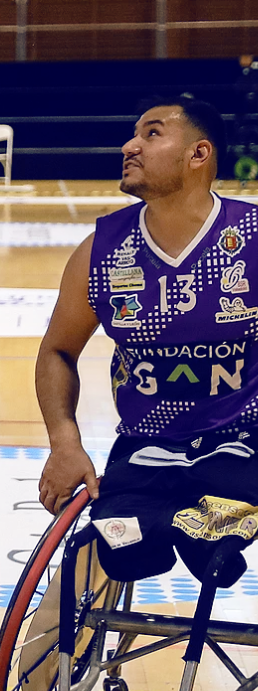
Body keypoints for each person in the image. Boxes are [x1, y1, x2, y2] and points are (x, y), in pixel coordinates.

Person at [36, 95, 258, 589]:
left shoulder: (252, 237)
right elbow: (58, 351)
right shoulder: (101, 248)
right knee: (125, 555)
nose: (130, 145)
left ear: (198, 154)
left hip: (240, 447)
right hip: (144, 449)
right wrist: (65, 442)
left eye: (152, 133)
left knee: (214, 558)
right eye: (135, 133)